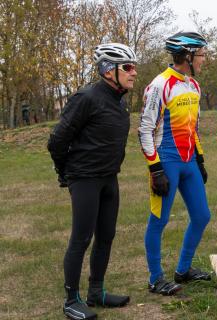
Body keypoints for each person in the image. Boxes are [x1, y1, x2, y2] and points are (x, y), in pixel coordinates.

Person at [48, 42, 137, 320]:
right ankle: (70, 300)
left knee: (107, 235)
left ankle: (95, 292)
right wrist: (66, 172)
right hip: (85, 178)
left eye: (134, 67)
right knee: (81, 238)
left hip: (109, 178)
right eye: (128, 68)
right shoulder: (86, 97)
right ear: (109, 70)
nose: (134, 73)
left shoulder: (118, 101)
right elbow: (57, 140)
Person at [139, 31, 212, 296]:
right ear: (188, 56)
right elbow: (145, 130)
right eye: (202, 55)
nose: (205, 59)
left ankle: (183, 270)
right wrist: (155, 168)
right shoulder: (159, 85)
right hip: (166, 160)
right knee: (159, 219)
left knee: (202, 215)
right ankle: (155, 278)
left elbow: (194, 128)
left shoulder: (194, 86)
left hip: (189, 160)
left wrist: (200, 158)